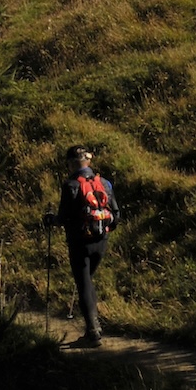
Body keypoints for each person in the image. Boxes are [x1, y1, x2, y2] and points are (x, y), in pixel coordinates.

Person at [46, 147, 119, 348]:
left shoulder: (70, 185)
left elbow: (63, 217)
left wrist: (51, 220)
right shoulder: (104, 183)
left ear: (71, 163)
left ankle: (93, 333)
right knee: (88, 282)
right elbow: (116, 216)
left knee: (84, 283)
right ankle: (93, 327)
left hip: (79, 243)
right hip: (101, 241)